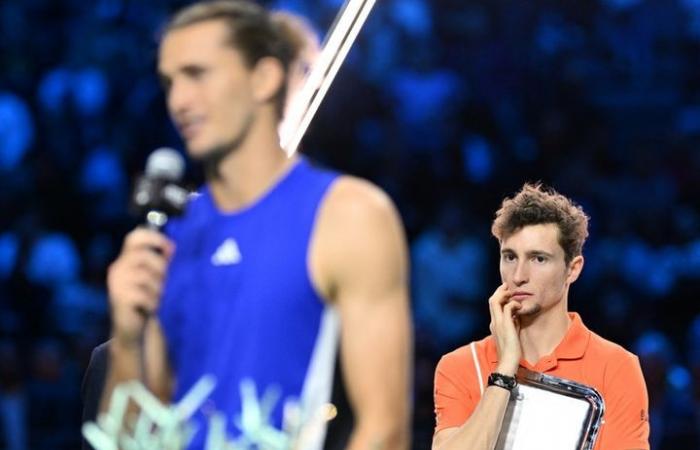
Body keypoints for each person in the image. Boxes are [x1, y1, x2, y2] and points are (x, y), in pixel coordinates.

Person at [99, 2, 412, 449]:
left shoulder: (349, 215)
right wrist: (128, 341)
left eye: (198, 74)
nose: (178, 101)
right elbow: (128, 440)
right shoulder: (171, 236)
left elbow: (384, 429)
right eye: (170, 82)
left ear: (264, 78)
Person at [432, 183, 649, 450]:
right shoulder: (460, 366)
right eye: (510, 257)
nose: (519, 275)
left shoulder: (617, 367)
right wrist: (505, 369)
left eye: (538, 259)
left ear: (573, 269)